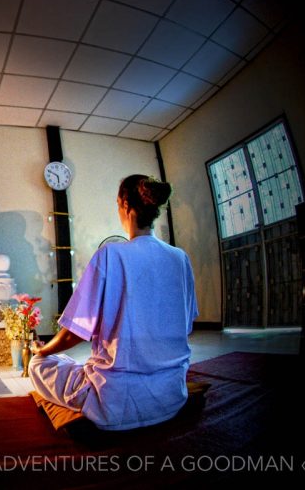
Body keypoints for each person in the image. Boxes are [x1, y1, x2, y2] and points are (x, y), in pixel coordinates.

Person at [29, 175, 197, 431]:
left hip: (115, 404)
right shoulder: (180, 258)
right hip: (172, 396)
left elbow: (73, 334)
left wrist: (41, 351)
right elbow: (186, 324)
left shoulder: (110, 254)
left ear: (124, 204)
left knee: (40, 364)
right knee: (76, 362)